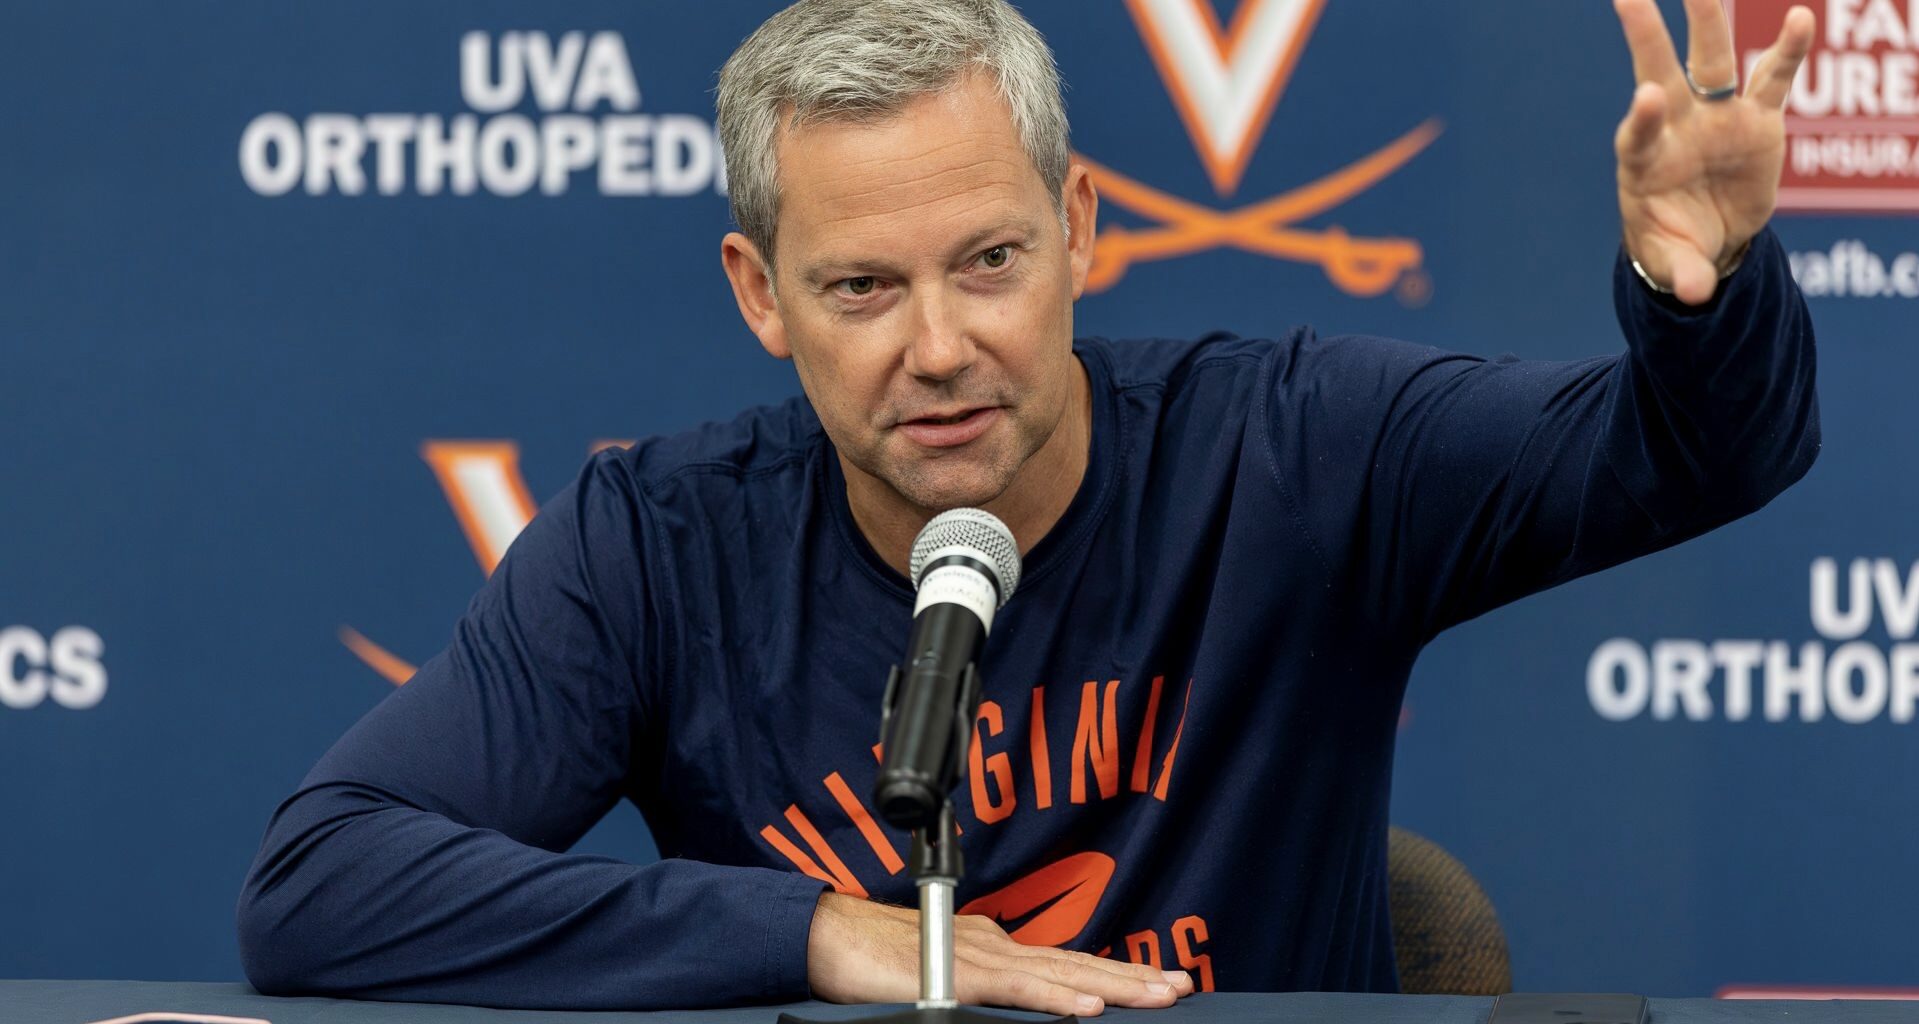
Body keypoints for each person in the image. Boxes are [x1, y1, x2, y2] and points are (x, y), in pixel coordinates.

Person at [237, 0, 1820, 1014]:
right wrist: (811, 936)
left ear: (1079, 227)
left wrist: (1706, 292)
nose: (941, 350)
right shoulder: (654, 548)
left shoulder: (1290, 450)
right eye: (861, 286)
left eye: (989, 262)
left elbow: (1698, 455)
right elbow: (319, 885)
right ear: (759, 294)